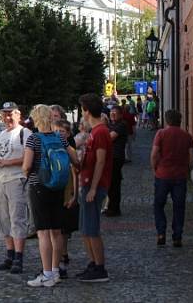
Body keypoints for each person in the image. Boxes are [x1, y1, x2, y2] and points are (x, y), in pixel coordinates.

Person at [23, 105, 79, 288]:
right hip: (58, 188)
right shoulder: (60, 137)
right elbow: (75, 159)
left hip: (39, 188)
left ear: (36, 119)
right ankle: (55, 272)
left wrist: (26, 175)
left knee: (43, 233)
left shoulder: (34, 139)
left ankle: (46, 273)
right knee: (56, 231)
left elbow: (26, 166)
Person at [0, 102, 30, 274]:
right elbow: (0, 155)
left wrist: (7, 162)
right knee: (2, 217)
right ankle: (9, 254)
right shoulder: (2, 134)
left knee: (17, 217)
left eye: (10, 114)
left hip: (17, 179)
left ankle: (19, 257)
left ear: (18, 114)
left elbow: (28, 157)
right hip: (0, 179)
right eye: (4, 114)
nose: (7, 117)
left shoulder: (25, 133)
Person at [76, 93, 112, 282]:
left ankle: (100, 268)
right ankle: (92, 263)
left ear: (87, 111)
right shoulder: (94, 132)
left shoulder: (100, 132)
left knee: (92, 228)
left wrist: (92, 188)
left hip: (94, 186)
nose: (82, 113)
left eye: (82, 109)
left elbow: (100, 162)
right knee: (84, 228)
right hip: (87, 183)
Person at [152, 109, 193, 247]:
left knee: (158, 205)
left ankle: (161, 233)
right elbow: (192, 157)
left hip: (162, 175)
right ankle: (177, 237)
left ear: (167, 120)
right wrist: (188, 171)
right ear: (180, 120)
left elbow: (154, 154)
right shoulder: (187, 136)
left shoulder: (161, 134)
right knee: (179, 206)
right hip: (180, 176)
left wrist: (155, 168)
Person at [56, 119, 80, 279]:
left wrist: (75, 195)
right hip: (54, 191)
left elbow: (75, 171)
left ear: (68, 134)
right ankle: (57, 260)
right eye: (56, 131)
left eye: (62, 132)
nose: (58, 134)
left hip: (66, 192)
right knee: (56, 229)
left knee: (63, 229)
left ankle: (62, 258)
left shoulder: (69, 149)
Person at [106, 106, 128, 217]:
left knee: (114, 183)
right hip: (111, 157)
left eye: (115, 113)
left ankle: (114, 208)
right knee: (111, 183)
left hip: (116, 157)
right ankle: (110, 206)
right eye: (111, 112)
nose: (112, 114)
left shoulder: (121, 125)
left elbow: (109, 138)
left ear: (120, 115)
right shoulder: (111, 125)